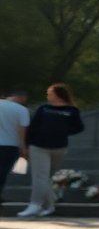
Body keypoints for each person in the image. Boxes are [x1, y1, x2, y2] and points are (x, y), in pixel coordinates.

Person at [18, 83, 84, 219]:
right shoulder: (43, 108)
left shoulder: (72, 110)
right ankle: (35, 205)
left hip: (59, 147)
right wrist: (25, 145)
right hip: (38, 146)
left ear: (59, 95)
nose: (47, 96)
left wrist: (63, 131)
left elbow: (78, 127)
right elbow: (33, 127)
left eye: (50, 93)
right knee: (40, 177)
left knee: (45, 177)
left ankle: (50, 205)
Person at [0, 89, 30, 204]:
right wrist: (23, 148)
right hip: (10, 145)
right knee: (3, 171)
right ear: (21, 97)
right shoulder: (22, 110)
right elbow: (22, 130)